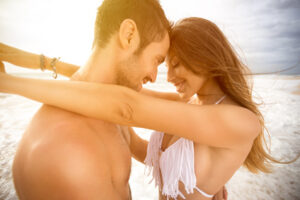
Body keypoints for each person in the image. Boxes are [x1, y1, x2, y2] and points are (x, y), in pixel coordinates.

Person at [1, 18, 274, 200]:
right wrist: (36, 61)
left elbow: (127, 106)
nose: (169, 76)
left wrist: (9, 83)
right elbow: (111, 85)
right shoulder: (191, 106)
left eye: (175, 63)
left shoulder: (240, 122)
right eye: (164, 64)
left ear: (203, 56)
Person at [0, 0, 174, 199]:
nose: (154, 76)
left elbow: (136, 144)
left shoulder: (108, 104)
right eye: (157, 60)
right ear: (129, 35)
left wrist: (195, 176)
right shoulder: (68, 152)